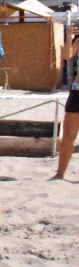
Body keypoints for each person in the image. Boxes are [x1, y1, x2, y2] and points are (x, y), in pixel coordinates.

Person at [55, 26, 79, 181]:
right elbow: (66, 56)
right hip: (77, 91)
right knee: (68, 136)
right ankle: (60, 173)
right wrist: (69, 37)